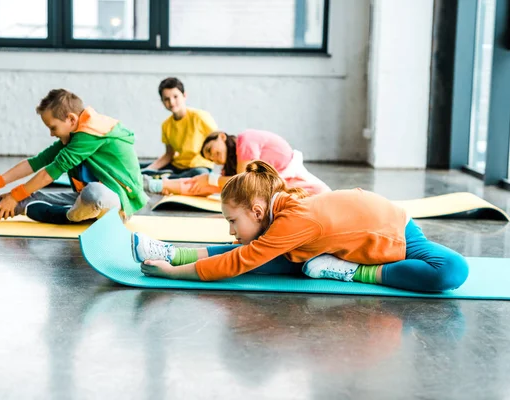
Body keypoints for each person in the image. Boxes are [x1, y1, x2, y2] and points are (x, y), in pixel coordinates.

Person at [130, 160, 469, 292]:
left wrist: (172, 276)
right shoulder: (282, 208)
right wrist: (175, 260)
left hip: (396, 231)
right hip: (353, 233)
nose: (231, 230)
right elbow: (246, 251)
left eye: (234, 221)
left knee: (451, 271)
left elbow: (238, 261)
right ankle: (171, 251)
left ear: (258, 210)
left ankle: (351, 271)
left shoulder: (293, 220)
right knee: (262, 255)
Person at [0, 89, 148, 224]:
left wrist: (14, 195)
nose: (51, 133)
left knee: (93, 194)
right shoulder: (76, 134)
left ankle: (64, 216)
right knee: (28, 199)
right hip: (86, 203)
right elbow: (36, 163)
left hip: (117, 204)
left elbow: (50, 173)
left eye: (53, 127)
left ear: (71, 120)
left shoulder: (90, 133)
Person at [144, 129, 331, 197]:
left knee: (214, 181)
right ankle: (159, 184)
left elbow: (244, 181)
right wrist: (210, 180)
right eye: (210, 158)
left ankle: (162, 184)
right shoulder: (232, 165)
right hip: (274, 183)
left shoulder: (245, 140)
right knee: (212, 182)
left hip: (293, 178)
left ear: (222, 136)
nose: (213, 157)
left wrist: (210, 180)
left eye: (211, 150)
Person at [141, 77, 218, 179]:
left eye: (175, 97)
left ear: (184, 95)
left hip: (199, 167)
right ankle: (163, 177)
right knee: (138, 165)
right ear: (162, 101)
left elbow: (219, 141)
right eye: (167, 99)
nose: (172, 102)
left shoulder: (200, 117)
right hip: (177, 166)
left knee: (200, 174)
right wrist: (148, 170)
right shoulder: (166, 125)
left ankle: (165, 178)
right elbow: (169, 155)